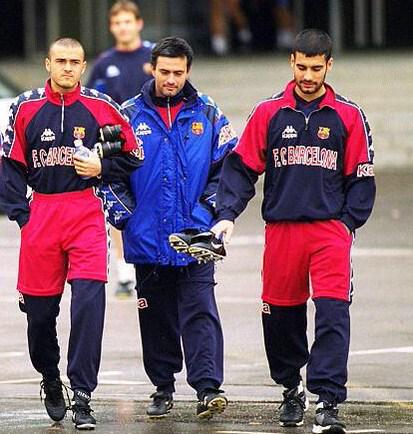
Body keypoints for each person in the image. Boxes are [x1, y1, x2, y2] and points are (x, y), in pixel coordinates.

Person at [211, 29, 376, 433]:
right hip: (282, 231)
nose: (307, 76)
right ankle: (290, 387)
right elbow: (241, 168)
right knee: (280, 315)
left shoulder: (348, 115)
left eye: (316, 68)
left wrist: (347, 224)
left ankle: (328, 398)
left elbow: (361, 177)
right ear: (291, 62)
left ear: (329, 66)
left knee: (333, 314)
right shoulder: (269, 112)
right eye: (301, 67)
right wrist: (227, 214)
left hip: (329, 232)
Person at [0, 37, 142, 430]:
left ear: (83, 66)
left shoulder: (102, 106)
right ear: (47, 64)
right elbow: (8, 165)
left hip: (85, 214)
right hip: (41, 215)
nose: (67, 68)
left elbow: (134, 155)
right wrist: (22, 216)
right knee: (39, 317)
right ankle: (50, 376)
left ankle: (82, 396)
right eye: (60, 61)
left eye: (74, 62)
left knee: (88, 306)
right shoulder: (25, 107)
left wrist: (102, 168)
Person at [120, 36, 237, 419]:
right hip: (147, 238)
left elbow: (229, 168)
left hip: (196, 238)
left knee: (201, 311)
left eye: (179, 73)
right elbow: (110, 174)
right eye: (165, 71)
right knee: (155, 317)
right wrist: (128, 216)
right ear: (152, 68)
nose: (171, 79)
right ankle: (162, 387)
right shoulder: (128, 115)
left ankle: (208, 389)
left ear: (188, 72)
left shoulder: (209, 112)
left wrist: (208, 213)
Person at [87, 0, 153, 298]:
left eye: (127, 21)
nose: (123, 27)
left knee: (152, 200)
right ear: (111, 27)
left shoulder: (154, 56)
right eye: (117, 23)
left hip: (152, 143)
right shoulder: (104, 63)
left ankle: (154, 265)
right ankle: (125, 272)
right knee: (118, 204)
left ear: (138, 23)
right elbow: (92, 103)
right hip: (116, 147)